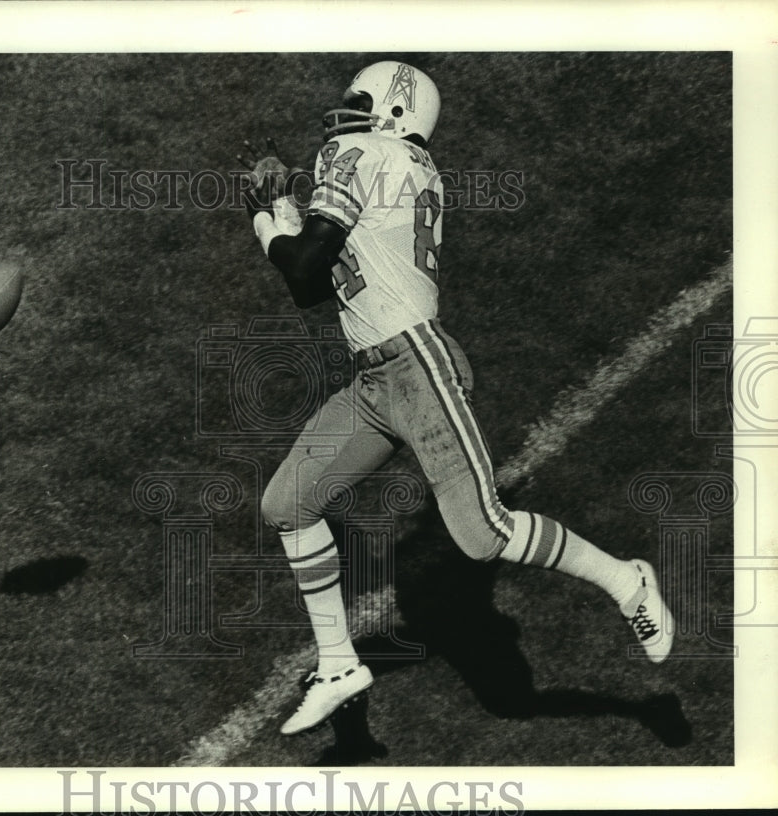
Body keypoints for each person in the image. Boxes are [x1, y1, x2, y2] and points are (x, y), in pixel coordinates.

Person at [240, 61, 674, 737]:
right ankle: (338, 665)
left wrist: (265, 213)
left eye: (359, 101)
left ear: (393, 111)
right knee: (287, 505)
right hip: (378, 378)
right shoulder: (398, 162)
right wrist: (280, 212)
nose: (344, 111)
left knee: (483, 536)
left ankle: (627, 581)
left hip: (417, 368)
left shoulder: (357, 152)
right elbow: (313, 281)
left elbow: (300, 270)